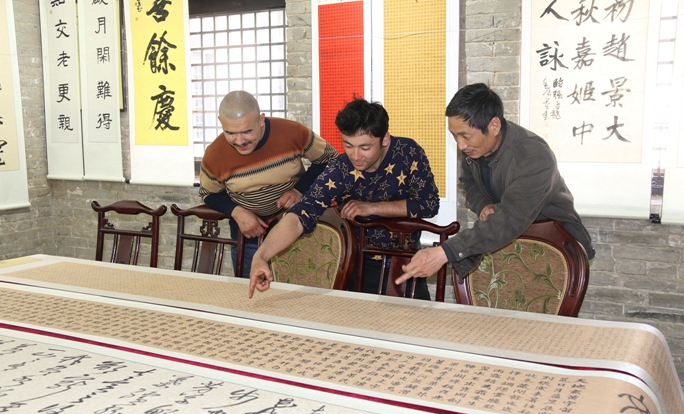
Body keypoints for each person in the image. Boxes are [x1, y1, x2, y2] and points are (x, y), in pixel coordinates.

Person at [396, 83, 595, 286]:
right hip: (510, 244)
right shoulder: (474, 150)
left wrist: (445, 252)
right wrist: (483, 205)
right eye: (454, 135)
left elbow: (511, 217)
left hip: (556, 247)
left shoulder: (533, 155)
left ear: (494, 126)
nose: (461, 144)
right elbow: (469, 183)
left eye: (465, 135)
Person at [248, 98, 440, 299]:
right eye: (348, 145)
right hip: (358, 262)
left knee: (415, 317)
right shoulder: (340, 169)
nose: (356, 156)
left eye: (365, 147)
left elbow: (428, 205)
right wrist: (261, 256)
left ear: (385, 139)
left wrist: (372, 208)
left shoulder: (408, 153)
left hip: (406, 259)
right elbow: (300, 215)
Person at [199, 91, 338, 277]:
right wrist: (237, 212)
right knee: (252, 287)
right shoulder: (214, 154)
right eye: (230, 133)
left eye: (247, 131)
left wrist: (299, 191)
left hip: (296, 229)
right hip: (250, 233)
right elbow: (208, 193)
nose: (240, 141)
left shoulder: (292, 131)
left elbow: (329, 158)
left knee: (300, 285)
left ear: (261, 120)